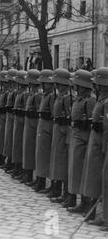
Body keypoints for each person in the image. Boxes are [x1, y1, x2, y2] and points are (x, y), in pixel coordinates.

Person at [80, 67, 108, 224]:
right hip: (95, 140)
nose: (95, 87)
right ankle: (97, 213)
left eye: (98, 84)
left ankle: (105, 217)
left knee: (104, 179)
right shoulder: (100, 100)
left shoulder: (106, 102)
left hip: (102, 141)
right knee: (92, 175)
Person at [67, 69, 96, 213]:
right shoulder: (78, 99)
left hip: (84, 137)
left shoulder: (90, 100)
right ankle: (81, 201)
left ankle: (86, 202)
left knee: (85, 171)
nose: (75, 88)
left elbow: (92, 121)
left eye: (77, 85)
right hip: (76, 135)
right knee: (76, 169)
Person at [49, 68, 73, 203]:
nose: (56, 86)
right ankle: (59, 189)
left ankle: (66, 192)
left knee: (64, 161)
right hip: (58, 128)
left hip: (65, 130)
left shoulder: (68, 98)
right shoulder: (59, 96)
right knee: (58, 160)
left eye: (57, 83)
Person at [34, 69, 56, 192]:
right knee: (40, 155)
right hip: (42, 126)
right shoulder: (45, 96)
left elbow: (54, 115)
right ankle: (40, 179)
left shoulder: (52, 97)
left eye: (45, 83)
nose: (42, 85)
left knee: (45, 156)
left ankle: (43, 181)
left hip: (48, 128)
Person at [22, 69, 42, 185]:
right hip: (29, 122)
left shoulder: (38, 95)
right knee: (27, 149)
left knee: (31, 150)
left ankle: (32, 176)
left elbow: (39, 110)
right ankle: (27, 173)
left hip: (34, 124)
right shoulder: (31, 94)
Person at [10, 71, 29, 179]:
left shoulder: (25, 94)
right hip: (18, 119)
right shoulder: (19, 93)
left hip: (22, 121)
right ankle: (16, 166)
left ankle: (21, 168)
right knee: (16, 144)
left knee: (21, 144)